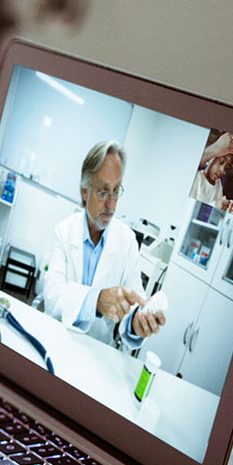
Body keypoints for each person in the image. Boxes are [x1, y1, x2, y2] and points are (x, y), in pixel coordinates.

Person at [36, 141, 166, 348]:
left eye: (116, 191)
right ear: (85, 192)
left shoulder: (127, 241)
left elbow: (134, 300)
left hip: (96, 351)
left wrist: (137, 322)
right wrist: (96, 301)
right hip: (56, 339)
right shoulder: (64, 231)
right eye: (103, 191)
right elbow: (52, 295)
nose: (111, 204)